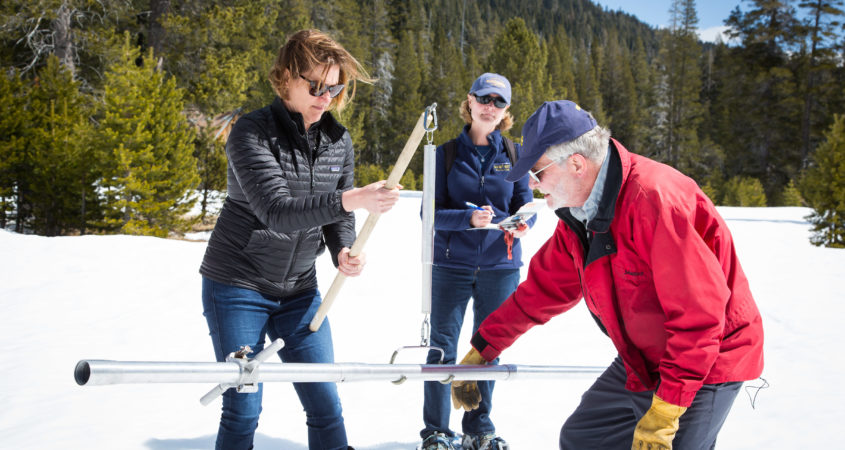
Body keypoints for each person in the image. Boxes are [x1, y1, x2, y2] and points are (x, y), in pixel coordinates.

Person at [450, 100, 764, 450]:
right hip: (645, 354)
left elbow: (700, 319)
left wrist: (665, 412)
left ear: (576, 164)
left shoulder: (655, 201)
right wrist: (484, 348)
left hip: (706, 358)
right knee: (585, 437)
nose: (534, 185)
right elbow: (543, 290)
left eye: (538, 173)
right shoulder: (580, 215)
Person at [199, 29, 400, 450]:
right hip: (237, 286)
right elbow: (277, 211)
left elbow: (334, 218)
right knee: (243, 406)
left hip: (300, 292)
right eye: (315, 85)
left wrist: (343, 248)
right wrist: (353, 199)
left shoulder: (338, 140)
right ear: (286, 77)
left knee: (324, 400)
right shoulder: (251, 132)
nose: (326, 96)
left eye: (336, 87)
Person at [419, 73, 536, 450]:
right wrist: (467, 220)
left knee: (489, 346)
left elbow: (526, 207)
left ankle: (478, 428)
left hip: (500, 267)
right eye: (483, 98)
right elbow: (430, 214)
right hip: (451, 266)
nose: (490, 106)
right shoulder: (445, 153)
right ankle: (436, 431)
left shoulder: (516, 155)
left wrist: (523, 223)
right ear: (469, 101)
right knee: (442, 347)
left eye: (498, 102)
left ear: (506, 111)